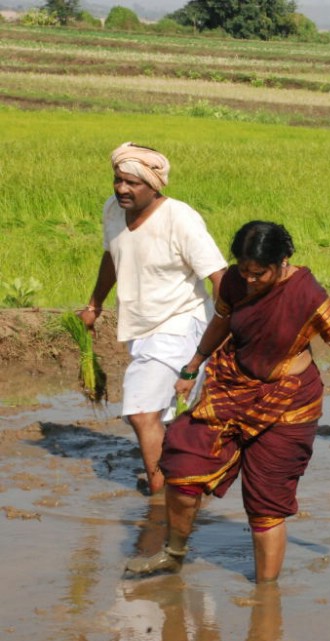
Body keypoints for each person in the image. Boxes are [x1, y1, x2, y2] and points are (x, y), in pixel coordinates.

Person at [124, 221, 330, 582]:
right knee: (184, 465)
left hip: (288, 404)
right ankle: (173, 554)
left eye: (259, 273)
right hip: (232, 386)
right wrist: (192, 367)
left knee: (265, 504)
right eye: (244, 270)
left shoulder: (307, 295)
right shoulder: (236, 282)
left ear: (283, 262)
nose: (250, 279)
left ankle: (265, 599)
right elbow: (220, 321)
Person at [79, 142, 227, 495]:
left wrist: (226, 333)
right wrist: (95, 303)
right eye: (118, 180)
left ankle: (161, 495)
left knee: (141, 410)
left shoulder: (180, 219)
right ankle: (183, 482)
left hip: (181, 324)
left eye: (132, 183)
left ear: (155, 185)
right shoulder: (113, 211)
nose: (122, 189)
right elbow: (112, 256)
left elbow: (219, 277)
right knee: (164, 416)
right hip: (141, 325)